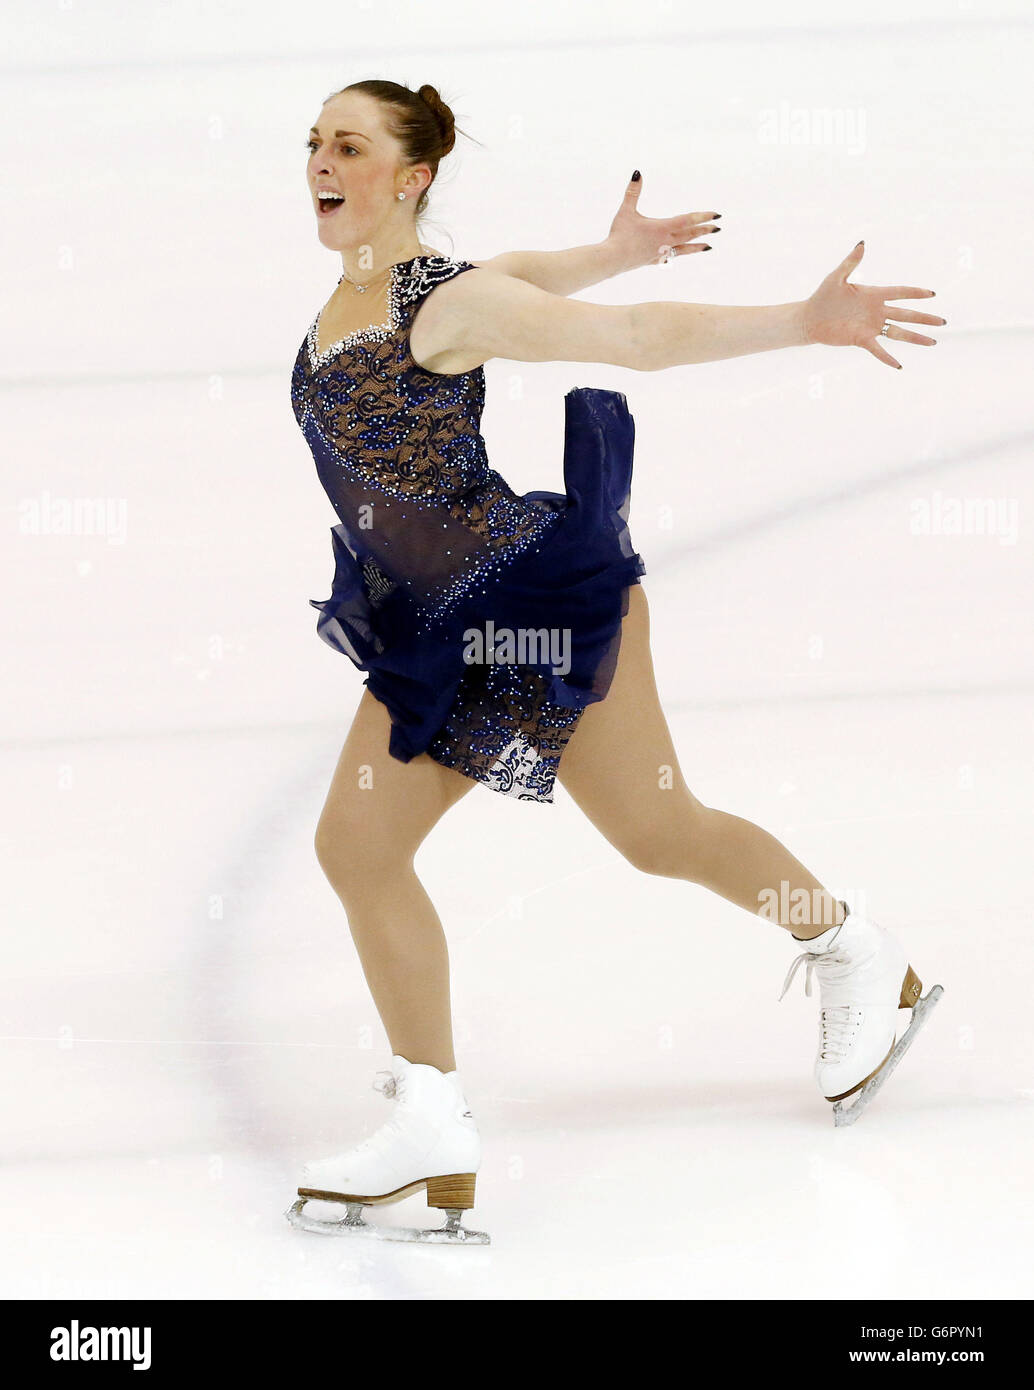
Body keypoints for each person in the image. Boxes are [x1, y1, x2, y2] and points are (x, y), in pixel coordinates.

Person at [286, 79, 947, 1243]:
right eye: (313, 144)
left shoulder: (438, 306)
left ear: (410, 176)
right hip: (436, 615)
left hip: (524, 604)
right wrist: (608, 248)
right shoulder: (383, 290)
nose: (321, 164)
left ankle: (850, 946)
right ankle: (432, 1111)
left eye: (349, 146)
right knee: (363, 843)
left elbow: (637, 341)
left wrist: (802, 318)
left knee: (658, 832)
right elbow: (526, 274)